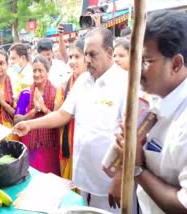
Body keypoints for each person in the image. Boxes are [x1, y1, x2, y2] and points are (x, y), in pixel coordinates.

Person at [13, 28, 128, 213]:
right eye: (86, 54)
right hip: (84, 177)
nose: (87, 60)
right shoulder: (83, 81)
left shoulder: (125, 83)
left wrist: (121, 177)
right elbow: (62, 114)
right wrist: (29, 124)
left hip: (112, 184)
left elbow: (132, 136)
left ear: (108, 52)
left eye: (92, 54)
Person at [113, 10, 187, 214]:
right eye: (136, 59)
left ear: (176, 64)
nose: (137, 69)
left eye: (146, 61)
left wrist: (136, 168)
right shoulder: (155, 98)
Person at [14, 56, 60, 175]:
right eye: (34, 70)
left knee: (51, 180)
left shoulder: (57, 93)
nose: (37, 74)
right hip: (31, 146)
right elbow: (16, 120)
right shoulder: (25, 93)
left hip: (50, 148)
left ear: (47, 72)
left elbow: (60, 119)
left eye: (40, 70)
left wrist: (44, 109)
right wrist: (34, 111)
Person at [55, 40, 87, 180]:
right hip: (67, 144)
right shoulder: (63, 86)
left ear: (87, 58)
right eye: (71, 57)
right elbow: (57, 116)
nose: (72, 61)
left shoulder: (95, 84)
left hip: (85, 146)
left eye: (77, 57)